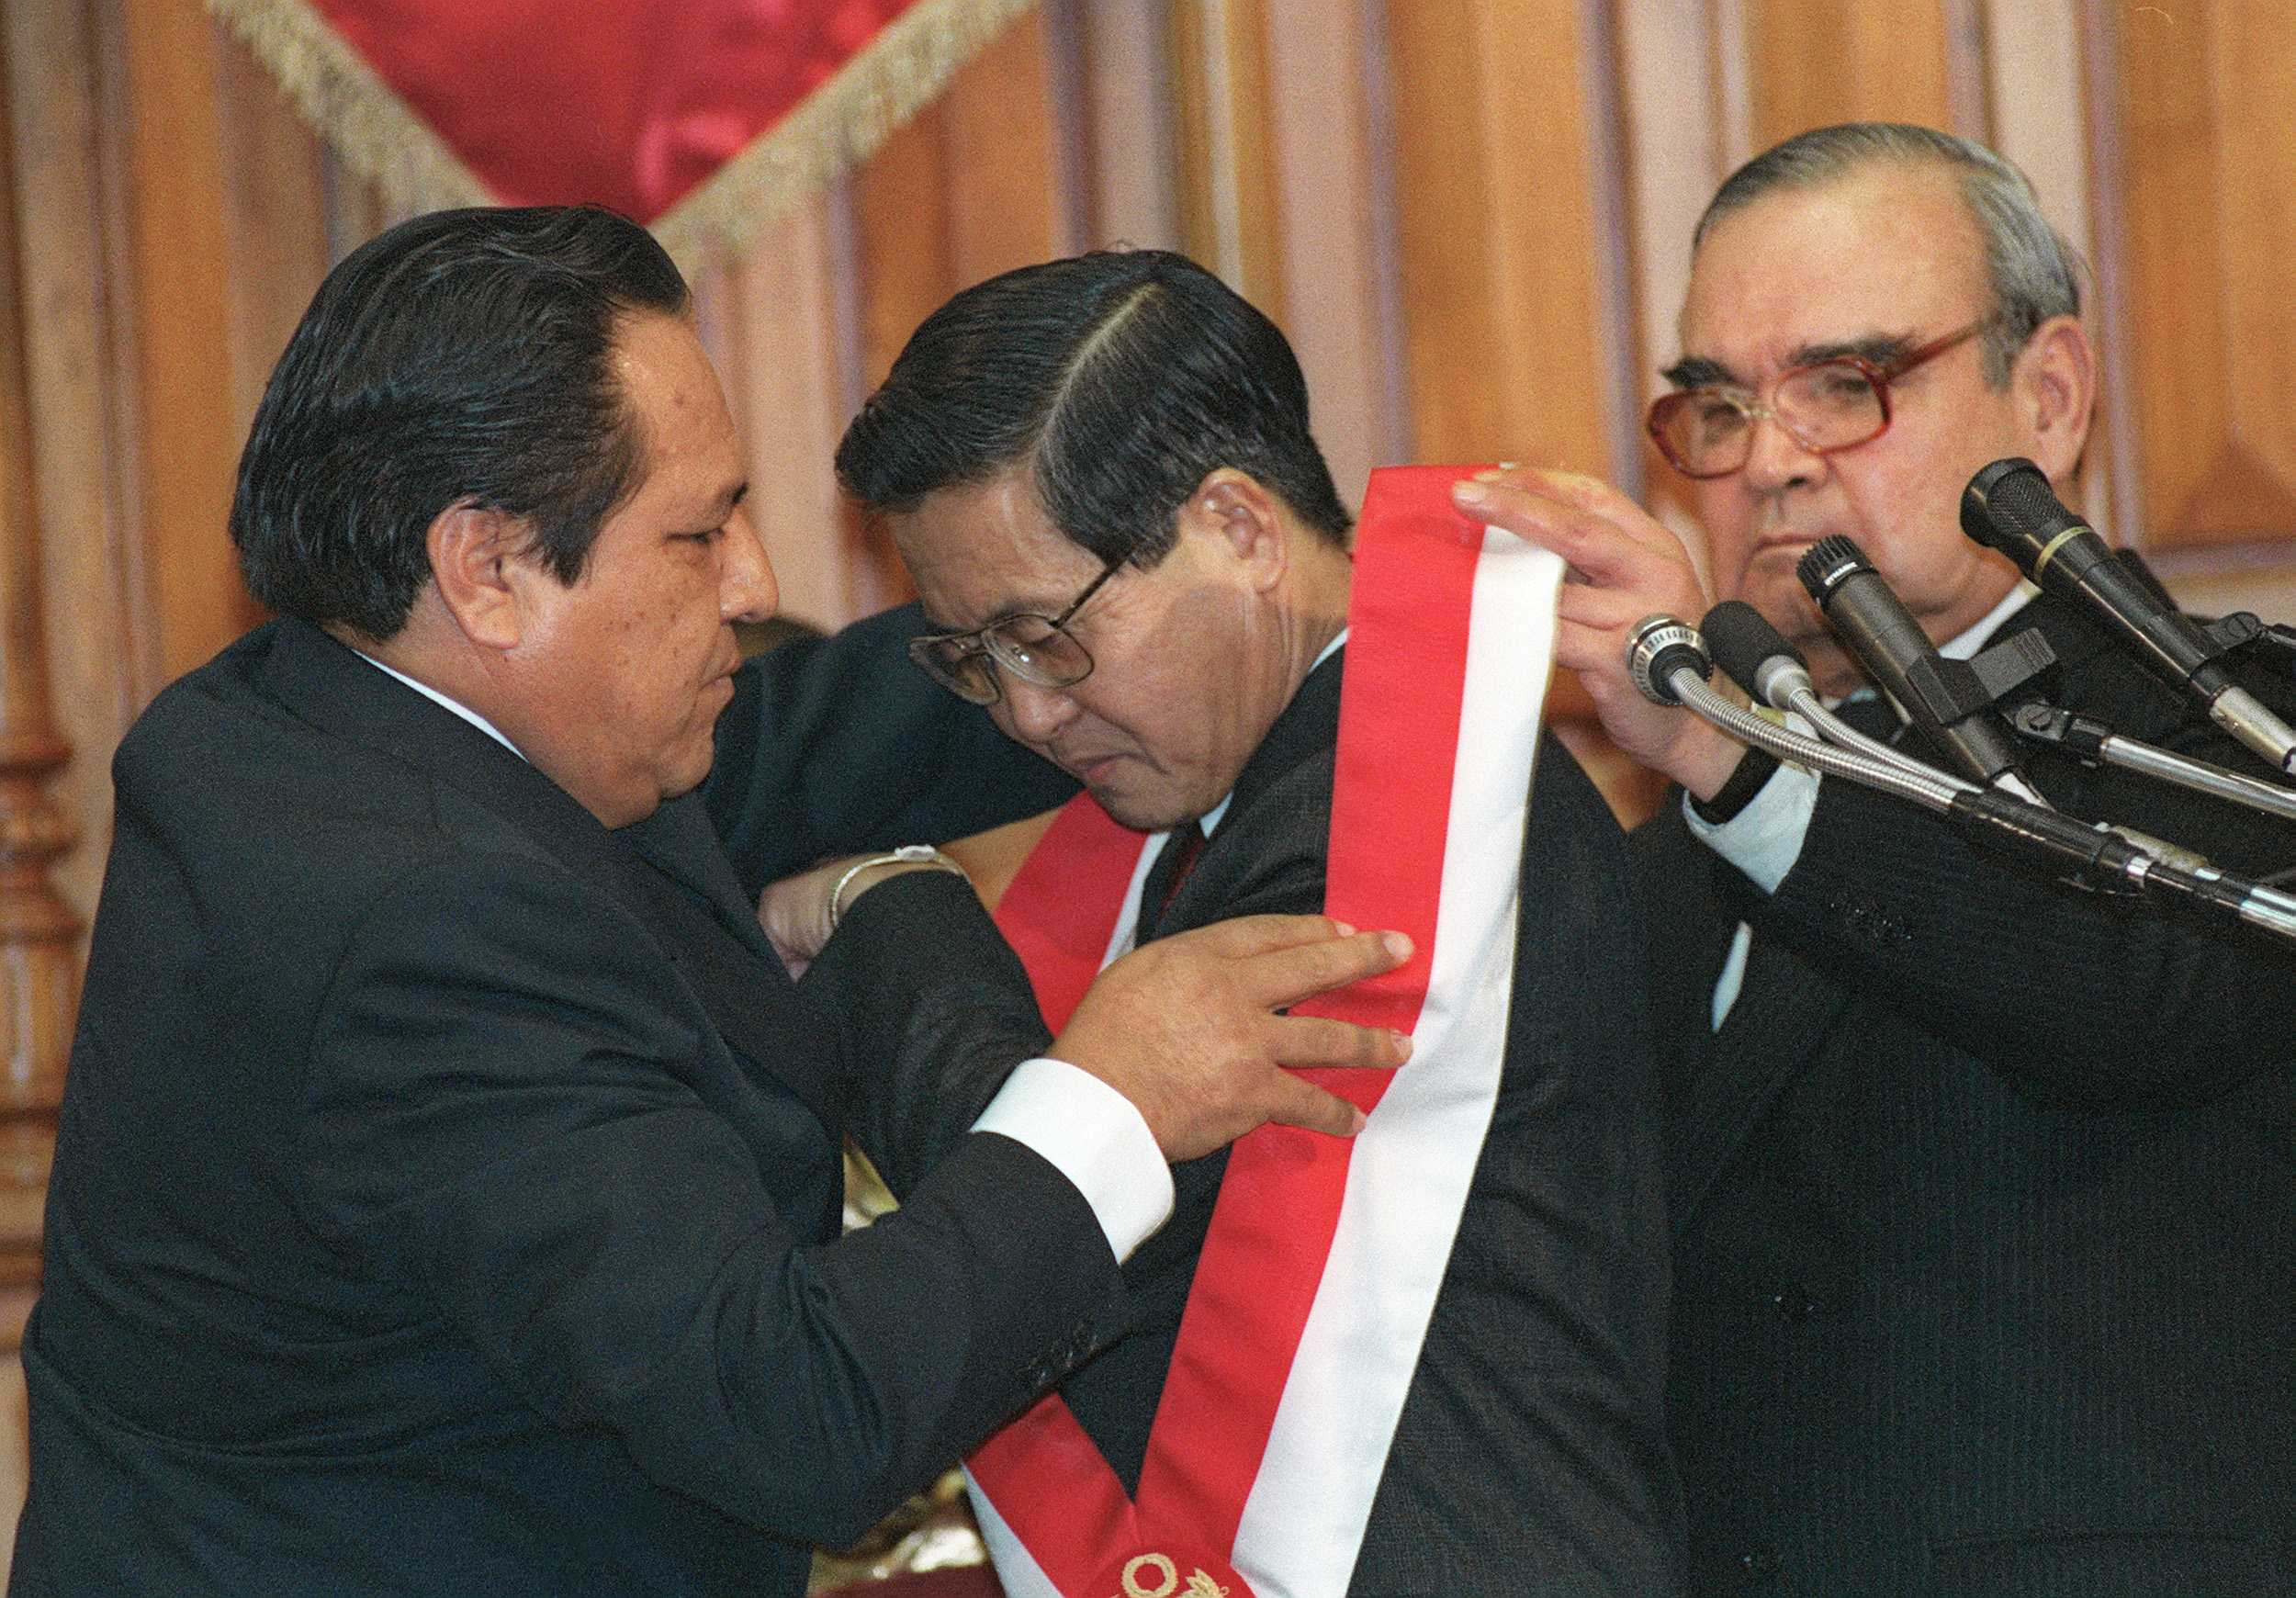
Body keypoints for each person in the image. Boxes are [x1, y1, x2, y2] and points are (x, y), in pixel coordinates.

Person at [9, 206, 1414, 1598]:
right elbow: (800, 1413)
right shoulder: (410, 923)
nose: (758, 583)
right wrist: (1117, 1095)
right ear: (487, 569)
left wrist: (1266, 602)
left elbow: (817, 737)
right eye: (699, 534)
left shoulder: (310, 716)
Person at [1451, 123, 2296, 1595]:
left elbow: (2129, 992)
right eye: (1716, 405)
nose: (1768, 464)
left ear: (2046, 396)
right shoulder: (1665, 852)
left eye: (1844, 389)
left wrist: (1732, 765)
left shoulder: (2234, 727)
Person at [768, 249, 1681, 1598]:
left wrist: (882, 907)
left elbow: (1067, 1228)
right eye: (974, 656)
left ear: (1240, 530)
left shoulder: (1394, 822)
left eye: (1045, 634)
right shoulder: (1236, 805)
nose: (1023, 715)